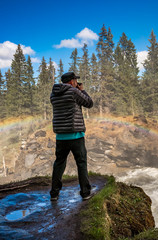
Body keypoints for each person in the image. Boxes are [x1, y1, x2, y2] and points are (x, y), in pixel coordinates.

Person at [49, 72, 94, 201]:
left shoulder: (53, 94)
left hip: (61, 136)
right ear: (71, 81)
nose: (76, 82)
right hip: (75, 135)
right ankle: (85, 193)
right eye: (75, 80)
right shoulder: (73, 92)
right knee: (81, 163)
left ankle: (54, 193)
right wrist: (82, 90)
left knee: (59, 163)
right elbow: (89, 103)